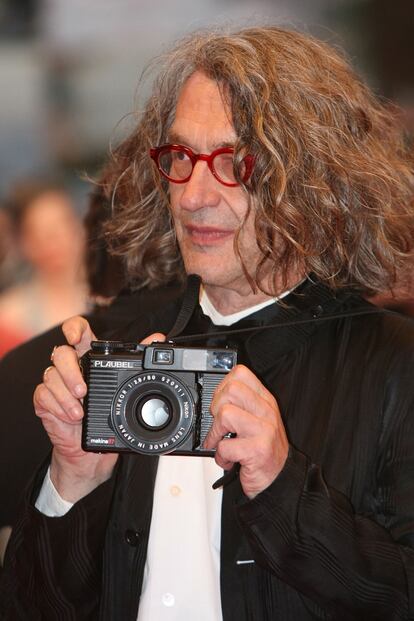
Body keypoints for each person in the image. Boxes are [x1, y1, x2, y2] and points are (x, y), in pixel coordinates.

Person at [1, 25, 414, 621]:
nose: (192, 195)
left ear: (316, 183)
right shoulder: (120, 355)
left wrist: (281, 487)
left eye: (234, 163)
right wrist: (72, 485)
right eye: (182, 157)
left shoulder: (393, 367)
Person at [0, 179, 88, 357]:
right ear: (23, 242)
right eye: (40, 232)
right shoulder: (9, 318)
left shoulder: (112, 299)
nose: (54, 241)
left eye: (62, 225)